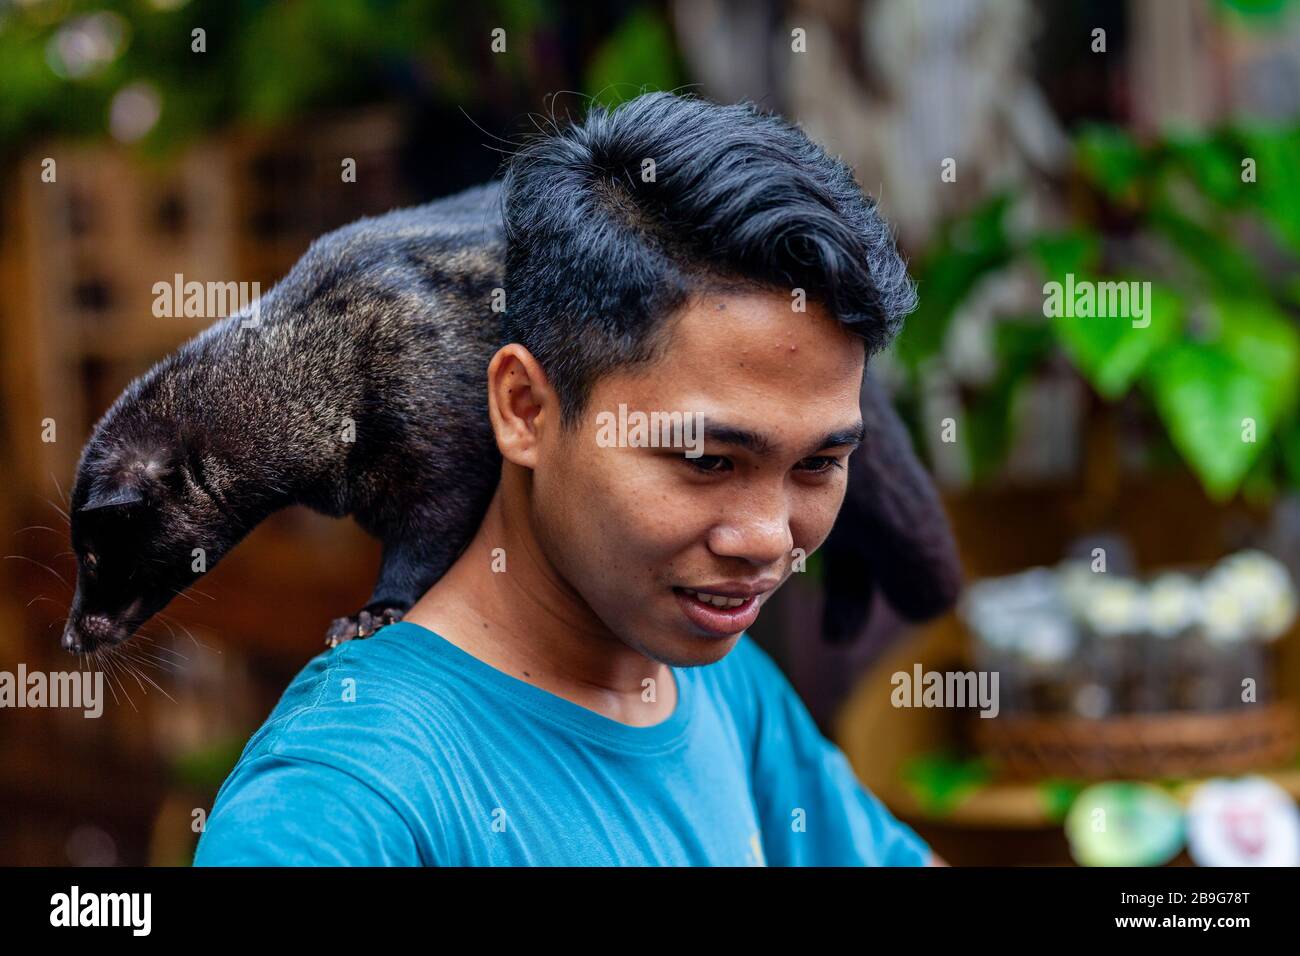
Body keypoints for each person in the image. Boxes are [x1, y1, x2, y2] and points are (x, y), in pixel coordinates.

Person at [194, 91, 946, 866]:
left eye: (819, 464)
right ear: (524, 408)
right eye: (706, 462)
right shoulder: (341, 805)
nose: (766, 540)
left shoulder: (717, 685)